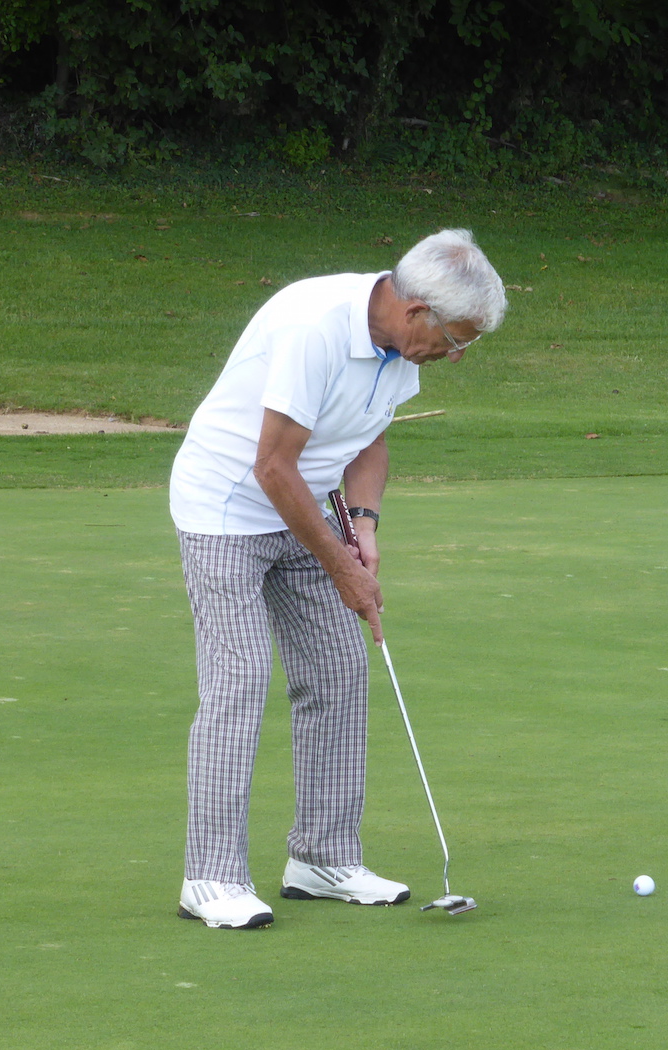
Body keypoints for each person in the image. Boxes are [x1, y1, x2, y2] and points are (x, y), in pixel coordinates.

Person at [168, 229, 507, 928]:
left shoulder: (397, 346)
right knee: (239, 679)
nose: (457, 355)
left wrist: (365, 524)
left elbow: (369, 436)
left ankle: (321, 856)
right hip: (225, 508)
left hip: (302, 509)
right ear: (418, 314)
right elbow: (271, 466)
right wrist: (343, 567)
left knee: (338, 671)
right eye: (457, 339)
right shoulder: (313, 328)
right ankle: (210, 876)